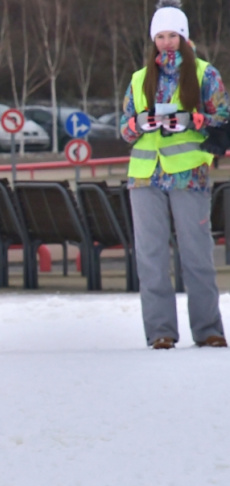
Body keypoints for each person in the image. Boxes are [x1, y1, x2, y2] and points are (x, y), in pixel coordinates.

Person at [120, 0, 229, 349]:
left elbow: (223, 118)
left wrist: (195, 120)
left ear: (184, 37)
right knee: (150, 258)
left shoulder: (205, 74)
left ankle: (208, 330)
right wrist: (138, 124)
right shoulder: (139, 78)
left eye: (172, 35)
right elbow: (124, 128)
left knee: (196, 255)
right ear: (153, 40)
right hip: (144, 176)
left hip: (188, 175)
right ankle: (160, 332)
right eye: (160, 36)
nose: (166, 43)